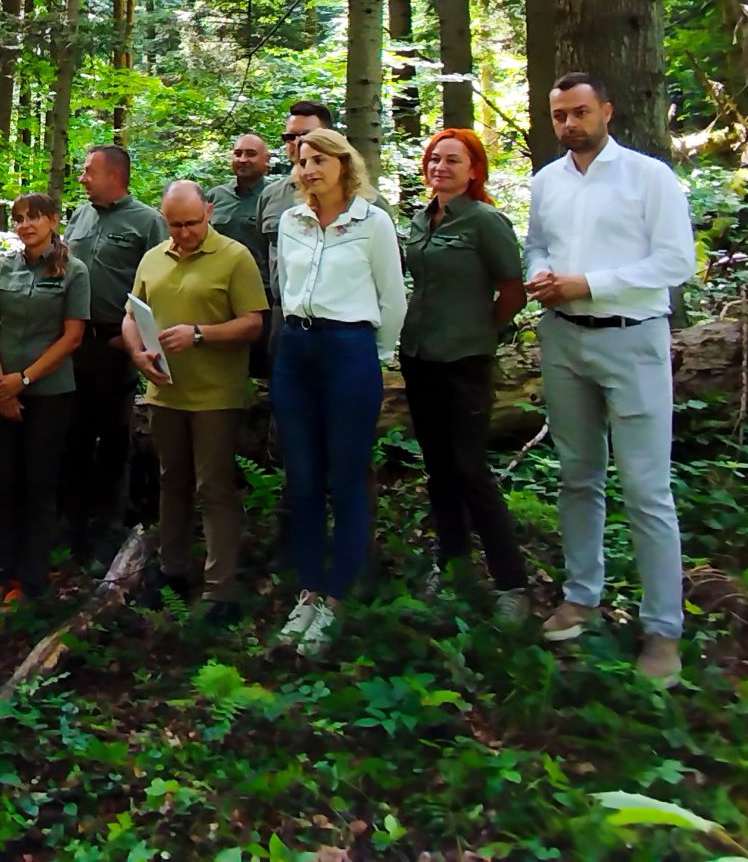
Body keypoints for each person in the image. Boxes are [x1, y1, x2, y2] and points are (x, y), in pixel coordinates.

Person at [524, 73, 697, 688]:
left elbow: (677, 262)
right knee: (578, 474)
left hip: (633, 338)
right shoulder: (547, 181)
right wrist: (544, 275)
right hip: (564, 337)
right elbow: (537, 245)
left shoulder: (649, 177)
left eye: (579, 112)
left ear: (606, 110)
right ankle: (581, 595)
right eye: (559, 115)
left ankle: (662, 629)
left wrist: (589, 284)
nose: (569, 124)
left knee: (647, 489)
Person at [268, 128, 405, 657]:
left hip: (350, 350)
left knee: (346, 476)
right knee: (301, 477)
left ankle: (337, 596)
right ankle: (307, 590)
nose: (309, 169)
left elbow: (391, 298)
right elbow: (284, 286)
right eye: (303, 161)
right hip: (296, 351)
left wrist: (375, 357)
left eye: (320, 159)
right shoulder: (290, 220)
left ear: (345, 164)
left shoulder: (373, 224)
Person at [121, 181, 266, 625]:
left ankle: (221, 590)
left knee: (215, 487)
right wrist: (137, 354)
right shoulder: (153, 257)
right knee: (172, 481)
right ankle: (172, 570)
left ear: (209, 211)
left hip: (214, 396)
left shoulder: (235, 257)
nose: (183, 233)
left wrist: (199, 334)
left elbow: (253, 324)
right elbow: (131, 315)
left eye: (191, 223)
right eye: (174, 224)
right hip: (165, 392)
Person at [401, 128, 529, 622]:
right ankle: (452, 565)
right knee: (437, 467)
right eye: (434, 159)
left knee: (470, 468)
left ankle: (511, 583)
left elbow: (513, 291)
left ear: (474, 169)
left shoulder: (485, 221)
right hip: (419, 356)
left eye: (453, 160)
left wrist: (482, 331)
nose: (441, 167)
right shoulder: (420, 218)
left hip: (466, 362)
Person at [0, 193, 91, 614]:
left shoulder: (73, 271)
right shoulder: (3, 268)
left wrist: (23, 381)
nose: (26, 225)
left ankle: (31, 580)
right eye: (19, 218)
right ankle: (1, 575)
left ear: (54, 220)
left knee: (38, 486)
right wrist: (1, 385)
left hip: (48, 393)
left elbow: (72, 336)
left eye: (34, 217)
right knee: (3, 484)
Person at [61, 144, 169, 561]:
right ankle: (71, 525)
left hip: (115, 344)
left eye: (90, 171)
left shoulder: (148, 223)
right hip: (72, 343)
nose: (83, 178)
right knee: (74, 437)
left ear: (115, 175)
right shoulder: (80, 216)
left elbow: (157, 288)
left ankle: (110, 528)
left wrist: (133, 340)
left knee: (113, 439)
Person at [206, 134, 274, 376]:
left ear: (266, 160)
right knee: (222, 366)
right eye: (238, 153)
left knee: (265, 367)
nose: (243, 159)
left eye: (251, 154)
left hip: (262, 298)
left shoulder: (277, 197)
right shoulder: (215, 197)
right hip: (218, 296)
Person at [257, 101, 336, 280]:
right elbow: (265, 255)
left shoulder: (360, 199)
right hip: (284, 306)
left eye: (307, 135)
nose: (299, 142)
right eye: (290, 137)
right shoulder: (271, 196)